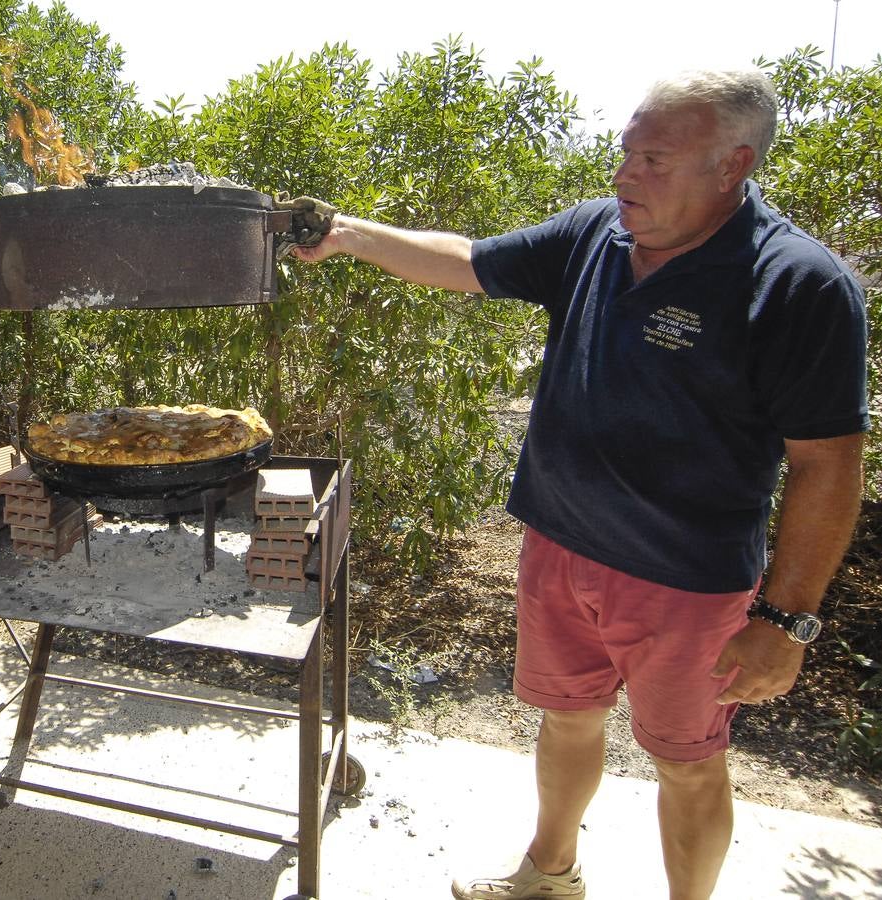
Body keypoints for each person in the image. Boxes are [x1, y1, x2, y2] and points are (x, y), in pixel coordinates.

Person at [294, 70, 866, 900]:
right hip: (558, 547)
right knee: (564, 719)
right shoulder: (596, 233)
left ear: (731, 164)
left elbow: (828, 465)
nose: (623, 177)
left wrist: (785, 621)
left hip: (684, 585)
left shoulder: (797, 284)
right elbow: (467, 262)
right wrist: (346, 233)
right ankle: (548, 876)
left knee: (686, 761)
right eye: (625, 154)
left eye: (653, 160)